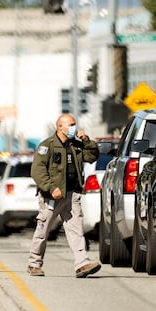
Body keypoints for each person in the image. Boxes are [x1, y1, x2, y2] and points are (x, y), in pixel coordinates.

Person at [28, 114, 101, 278]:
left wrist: (87, 140)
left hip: (72, 194)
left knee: (76, 230)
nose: (74, 128)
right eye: (71, 125)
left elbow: (92, 156)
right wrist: (50, 187)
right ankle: (34, 263)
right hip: (52, 197)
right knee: (43, 229)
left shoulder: (76, 145)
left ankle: (82, 264)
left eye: (75, 124)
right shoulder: (47, 146)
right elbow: (37, 171)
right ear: (60, 127)